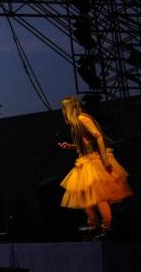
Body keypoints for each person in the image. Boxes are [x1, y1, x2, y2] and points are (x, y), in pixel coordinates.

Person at [57, 96, 133, 237]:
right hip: (84, 160)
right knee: (85, 195)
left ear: (70, 108)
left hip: (94, 160)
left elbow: (98, 136)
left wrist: (104, 159)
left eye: (64, 109)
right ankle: (94, 223)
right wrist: (71, 146)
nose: (63, 112)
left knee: (98, 196)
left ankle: (107, 226)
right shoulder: (76, 124)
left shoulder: (82, 118)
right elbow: (86, 143)